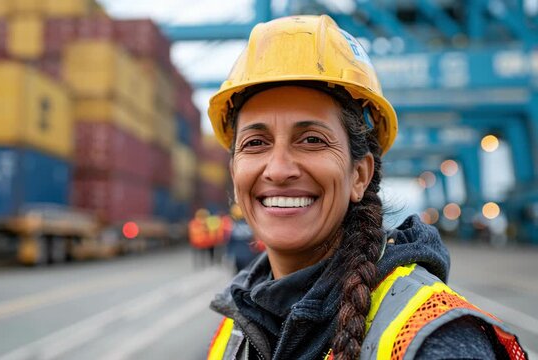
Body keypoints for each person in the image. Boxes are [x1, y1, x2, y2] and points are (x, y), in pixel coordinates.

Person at [205, 15, 526, 360]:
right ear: (235, 171)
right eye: (255, 143)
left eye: (312, 140)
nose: (279, 169)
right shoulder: (234, 328)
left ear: (359, 175)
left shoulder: (433, 341)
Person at [226, 204, 261, 272]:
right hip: (249, 255)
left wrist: (228, 254)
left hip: (238, 255)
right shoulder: (250, 226)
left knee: (239, 273)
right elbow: (255, 241)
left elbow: (229, 242)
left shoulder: (232, 227)